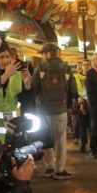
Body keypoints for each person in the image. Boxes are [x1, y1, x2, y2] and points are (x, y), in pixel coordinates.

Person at [32, 43, 77, 180]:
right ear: (57, 52)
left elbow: (34, 88)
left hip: (43, 109)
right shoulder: (66, 68)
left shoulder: (40, 68)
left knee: (46, 137)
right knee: (60, 139)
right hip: (60, 108)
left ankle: (49, 167)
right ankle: (59, 169)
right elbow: (73, 89)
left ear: (47, 53)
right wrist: (69, 105)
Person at [74, 59, 91, 153]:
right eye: (84, 65)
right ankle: (83, 145)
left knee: (92, 126)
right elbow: (74, 89)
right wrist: (78, 97)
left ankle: (93, 146)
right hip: (82, 104)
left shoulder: (93, 76)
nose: (86, 66)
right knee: (83, 126)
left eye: (88, 65)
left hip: (92, 103)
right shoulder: (77, 77)